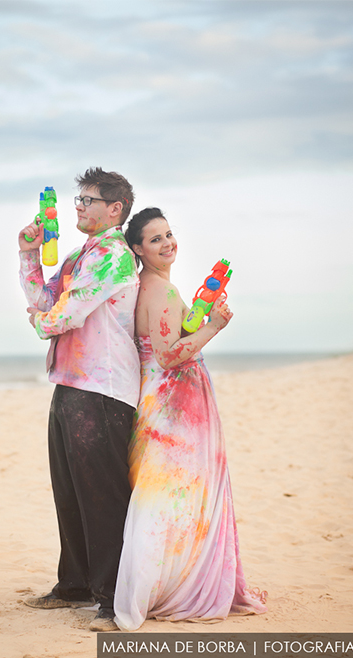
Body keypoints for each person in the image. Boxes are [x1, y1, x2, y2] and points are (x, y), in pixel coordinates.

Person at [113, 208, 267, 630]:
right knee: (166, 500)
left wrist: (197, 316)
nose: (167, 244)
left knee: (167, 498)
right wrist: (214, 326)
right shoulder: (160, 291)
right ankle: (153, 593)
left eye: (169, 234)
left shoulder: (149, 286)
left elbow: (167, 338)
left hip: (162, 404)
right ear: (138, 249)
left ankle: (160, 585)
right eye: (155, 239)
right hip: (173, 411)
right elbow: (167, 355)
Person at [18, 168, 139, 631]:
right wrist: (29, 250)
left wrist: (41, 319)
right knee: (69, 490)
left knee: (103, 495)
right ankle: (74, 585)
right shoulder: (77, 255)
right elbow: (41, 296)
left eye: (88, 200)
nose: (79, 207)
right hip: (70, 382)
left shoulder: (114, 256)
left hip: (105, 389)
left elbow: (57, 317)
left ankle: (112, 597)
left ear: (115, 209)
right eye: (78, 200)